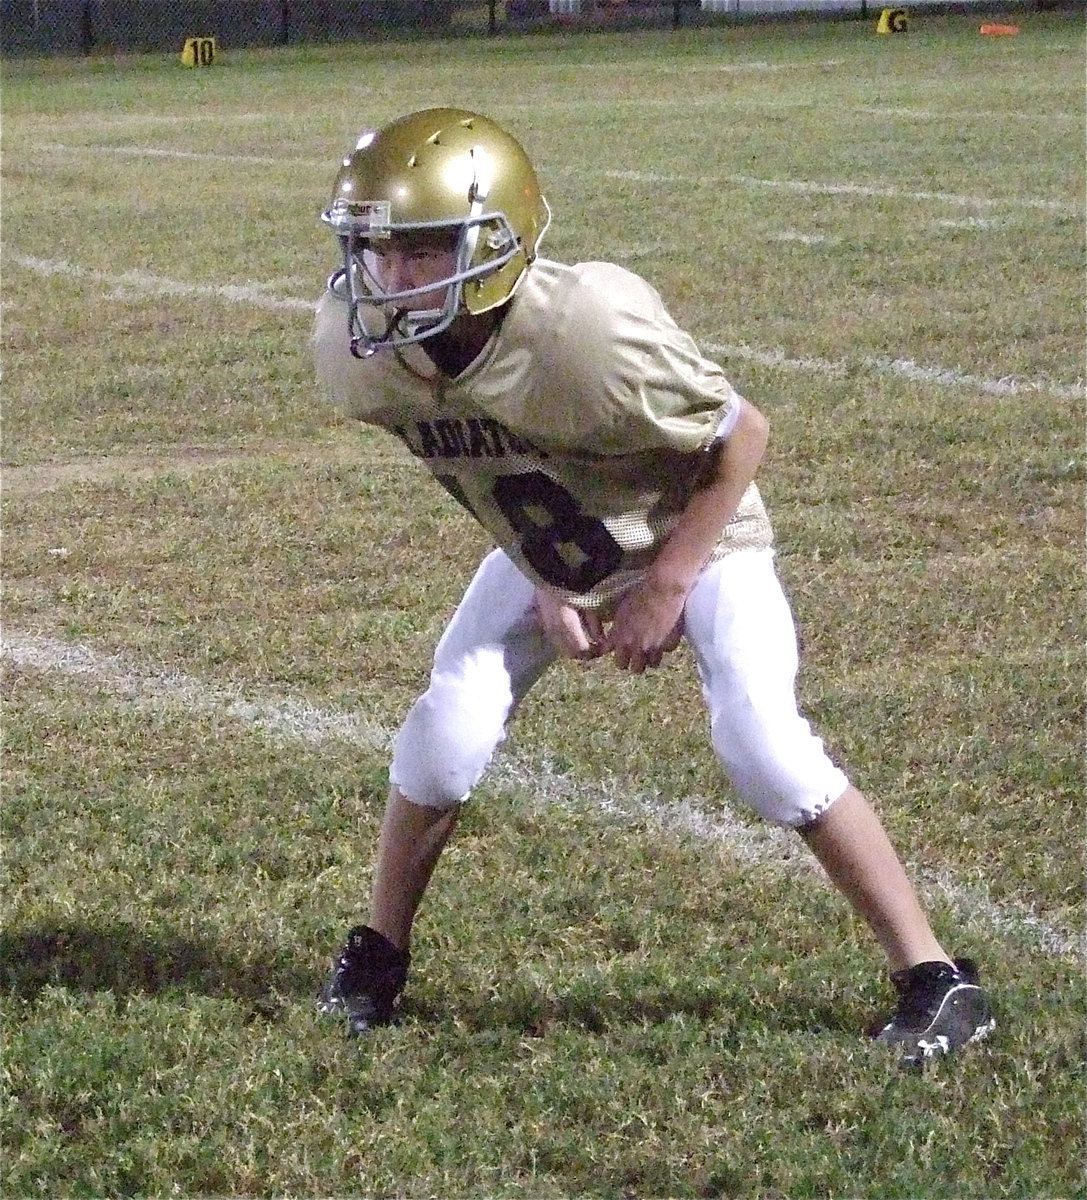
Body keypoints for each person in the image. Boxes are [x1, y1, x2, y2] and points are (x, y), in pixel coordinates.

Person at [310, 107, 994, 1068]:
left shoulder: (585, 330)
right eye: (375, 251)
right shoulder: (361, 353)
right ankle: (376, 957)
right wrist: (546, 573)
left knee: (762, 745)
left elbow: (739, 436)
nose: (391, 279)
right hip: (558, 537)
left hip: (688, 532)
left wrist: (667, 583)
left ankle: (938, 979)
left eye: (423, 250)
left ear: (497, 242)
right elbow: (479, 474)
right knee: (442, 737)